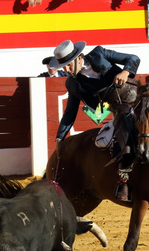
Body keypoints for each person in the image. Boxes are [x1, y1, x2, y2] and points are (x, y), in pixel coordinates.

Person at [49, 40, 140, 201]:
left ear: (78, 58)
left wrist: (125, 72)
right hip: (119, 110)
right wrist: (59, 137)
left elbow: (133, 58)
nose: (66, 70)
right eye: (63, 67)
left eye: (69, 65)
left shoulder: (99, 53)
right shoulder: (72, 83)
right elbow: (70, 112)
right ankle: (123, 180)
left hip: (137, 97)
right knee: (121, 132)